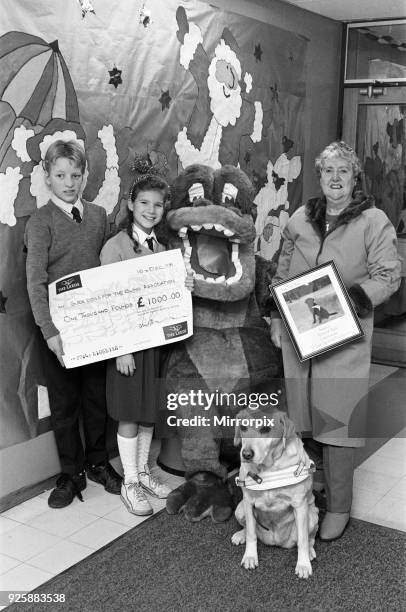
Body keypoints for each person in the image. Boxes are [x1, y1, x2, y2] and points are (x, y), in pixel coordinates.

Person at [270, 141, 401, 541]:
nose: (336, 178)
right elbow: (281, 271)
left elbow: (388, 276)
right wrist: (275, 317)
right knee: (305, 417)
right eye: (328, 171)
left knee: (339, 422)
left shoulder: (374, 221)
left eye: (343, 170)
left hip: (344, 338)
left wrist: (351, 301)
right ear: (319, 176)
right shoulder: (299, 220)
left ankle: (340, 507)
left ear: (355, 176)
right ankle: (314, 488)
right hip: (299, 337)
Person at [25, 140, 122, 509]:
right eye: (61, 175)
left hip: (95, 327)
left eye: (76, 175)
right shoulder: (41, 222)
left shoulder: (98, 216)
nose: (69, 182)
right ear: (48, 178)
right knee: (64, 405)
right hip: (59, 331)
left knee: (96, 399)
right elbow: (34, 282)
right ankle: (72, 472)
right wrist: (49, 332)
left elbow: (111, 266)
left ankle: (98, 463)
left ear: (85, 177)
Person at [100, 173, 194, 516]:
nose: (150, 210)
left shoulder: (165, 249)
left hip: (155, 346)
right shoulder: (115, 246)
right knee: (128, 412)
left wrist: (184, 284)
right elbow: (106, 302)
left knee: (148, 411)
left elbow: (168, 298)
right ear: (130, 204)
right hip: (128, 347)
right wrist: (121, 348)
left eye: (157, 204)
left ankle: (142, 473)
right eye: (144, 203)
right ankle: (129, 482)